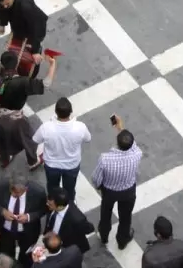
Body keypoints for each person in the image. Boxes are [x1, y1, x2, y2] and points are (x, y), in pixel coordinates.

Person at [92, 116, 142, 248]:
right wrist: (121, 128)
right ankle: (122, 240)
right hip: (128, 191)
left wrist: (98, 186)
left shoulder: (105, 159)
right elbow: (132, 144)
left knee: (105, 214)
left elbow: (96, 178)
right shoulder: (137, 154)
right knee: (125, 218)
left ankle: (104, 236)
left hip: (109, 191)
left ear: (117, 143)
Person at [33, 96, 91, 200]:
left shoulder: (46, 127)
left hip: (51, 165)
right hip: (71, 165)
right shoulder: (80, 127)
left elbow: (36, 140)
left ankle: (52, 205)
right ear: (71, 112)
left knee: (52, 188)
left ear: (56, 112)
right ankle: (69, 207)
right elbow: (88, 139)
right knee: (69, 189)